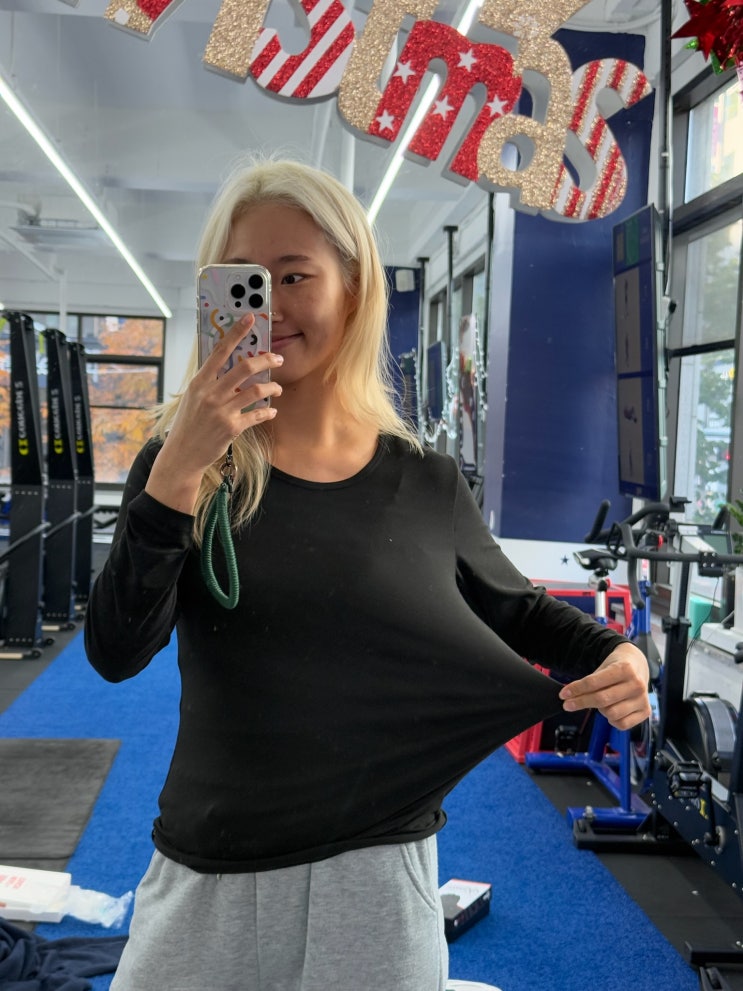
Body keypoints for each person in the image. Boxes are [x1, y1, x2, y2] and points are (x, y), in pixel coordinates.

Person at [84, 157, 651, 991]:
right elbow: (115, 651)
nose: (269, 307)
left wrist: (620, 652)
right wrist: (177, 475)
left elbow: (519, 611)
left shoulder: (423, 478)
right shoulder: (188, 466)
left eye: (294, 276)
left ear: (352, 289)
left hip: (377, 878)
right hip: (211, 867)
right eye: (245, 280)